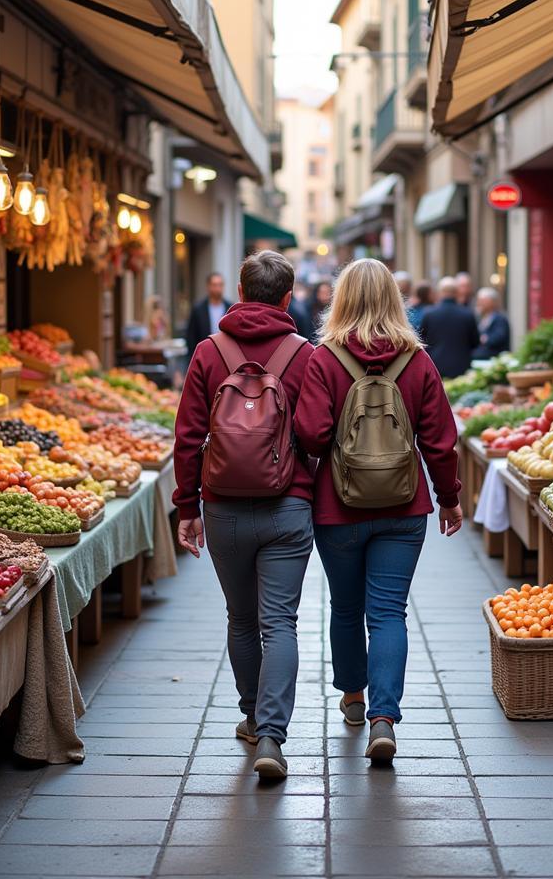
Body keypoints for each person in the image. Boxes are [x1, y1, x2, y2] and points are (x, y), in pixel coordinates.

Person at [294, 259, 462, 763]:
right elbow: (440, 441)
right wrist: (449, 498)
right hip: (404, 506)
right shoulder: (417, 360)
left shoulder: (324, 360)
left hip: (336, 507)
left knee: (345, 608)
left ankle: (352, 696)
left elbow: (312, 435)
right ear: (395, 299)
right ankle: (383, 719)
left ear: (339, 299)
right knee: (388, 612)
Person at [173, 251, 315, 780]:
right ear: (287, 296)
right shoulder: (303, 353)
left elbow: (188, 436)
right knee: (280, 622)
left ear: (238, 289)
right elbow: (319, 431)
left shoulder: (210, 351)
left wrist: (188, 507)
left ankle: (253, 717)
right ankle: (273, 740)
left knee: (241, 618)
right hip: (289, 504)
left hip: (223, 506)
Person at [419, 277, 480, 378]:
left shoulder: (429, 314)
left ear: (440, 293)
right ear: (457, 293)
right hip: (461, 367)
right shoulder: (467, 314)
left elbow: (422, 341)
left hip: (435, 366)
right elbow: (475, 343)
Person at [185, 272, 231, 354]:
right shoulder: (198, 309)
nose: (217, 288)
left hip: (226, 355)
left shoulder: (230, 308)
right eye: (214, 285)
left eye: (220, 285)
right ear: (208, 286)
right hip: (204, 354)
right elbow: (191, 337)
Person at [473, 286, 511, 359]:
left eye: (482, 301)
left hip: (495, 359)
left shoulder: (500, 319)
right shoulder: (480, 318)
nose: (478, 303)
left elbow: (498, 338)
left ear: (491, 302)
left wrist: (483, 339)